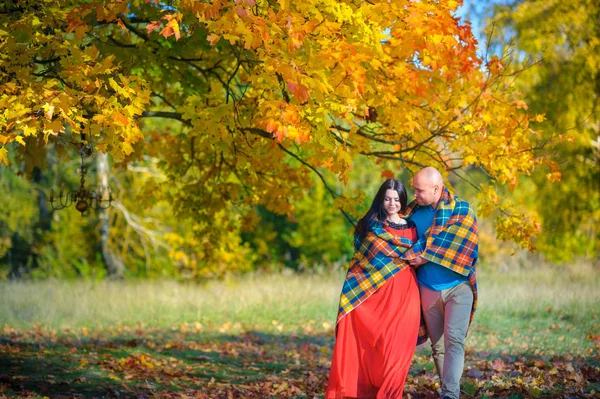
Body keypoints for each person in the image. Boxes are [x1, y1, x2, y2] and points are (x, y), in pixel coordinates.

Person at [325, 178, 422, 399]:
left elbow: (418, 255)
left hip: (405, 296)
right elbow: (360, 264)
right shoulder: (370, 227)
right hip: (374, 296)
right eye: (387, 199)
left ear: (403, 201)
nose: (392, 203)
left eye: (397, 199)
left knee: (397, 353)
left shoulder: (412, 227)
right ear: (381, 199)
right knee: (376, 350)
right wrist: (350, 299)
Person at [402, 167, 479, 399]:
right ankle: (449, 389)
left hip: (459, 287)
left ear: (437, 189)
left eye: (419, 190)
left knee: (454, 340)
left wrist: (424, 256)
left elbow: (463, 244)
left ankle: (449, 394)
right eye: (414, 188)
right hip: (428, 289)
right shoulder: (413, 213)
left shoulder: (461, 210)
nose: (414, 194)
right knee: (437, 347)